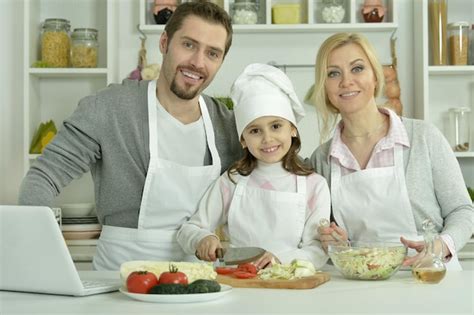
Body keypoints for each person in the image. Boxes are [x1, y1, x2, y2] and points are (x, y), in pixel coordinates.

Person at [18, 1, 242, 270]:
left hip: (200, 279)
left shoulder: (228, 124)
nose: (198, 62)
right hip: (118, 280)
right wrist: (40, 245)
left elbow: (284, 171)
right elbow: (44, 176)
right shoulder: (110, 108)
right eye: (189, 45)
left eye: (212, 53)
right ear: (164, 42)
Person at [308, 32, 473, 270]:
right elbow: (329, 238)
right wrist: (337, 244)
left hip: (429, 279)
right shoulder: (322, 159)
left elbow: (463, 210)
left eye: (357, 69)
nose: (346, 81)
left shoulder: (423, 137)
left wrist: (439, 246)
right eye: (334, 73)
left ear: (375, 76)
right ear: (324, 87)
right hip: (361, 288)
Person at [177, 63, 331, 269]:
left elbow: (318, 249)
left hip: (288, 285)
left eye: (276, 126)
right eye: (255, 131)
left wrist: (280, 260)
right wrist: (202, 239)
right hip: (238, 284)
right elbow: (190, 228)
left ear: (292, 129)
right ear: (243, 139)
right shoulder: (231, 180)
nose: (268, 138)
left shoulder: (315, 185)